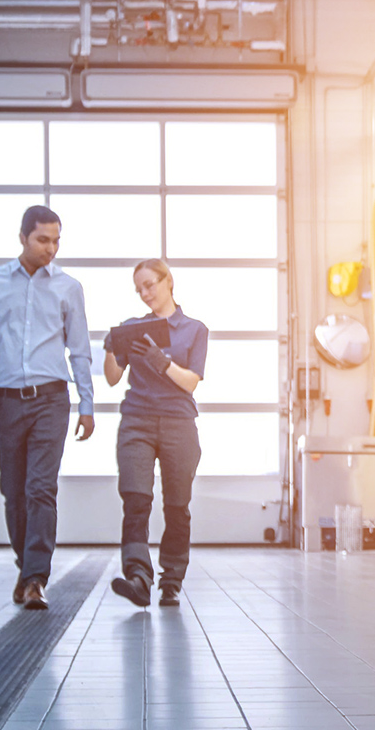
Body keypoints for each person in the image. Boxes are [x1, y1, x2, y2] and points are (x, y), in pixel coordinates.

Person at [0, 205, 95, 611]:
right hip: (6, 400)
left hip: (52, 400)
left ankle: (37, 578)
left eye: (57, 240)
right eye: (43, 239)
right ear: (23, 237)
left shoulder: (68, 287)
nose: (51, 248)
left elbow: (80, 350)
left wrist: (87, 404)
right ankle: (26, 570)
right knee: (14, 491)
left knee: (42, 488)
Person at [103, 259, 207, 608]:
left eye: (150, 285)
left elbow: (191, 381)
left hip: (179, 422)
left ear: (168, 281)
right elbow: (113, 377)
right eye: (139, 289)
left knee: (177, 506)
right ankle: (138, 577)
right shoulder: (133, 328)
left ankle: (171, 581)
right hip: (137, 421)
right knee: (136, 500)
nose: (145, 293)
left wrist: (161, 362)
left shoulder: (194, 329)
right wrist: (112, 348)